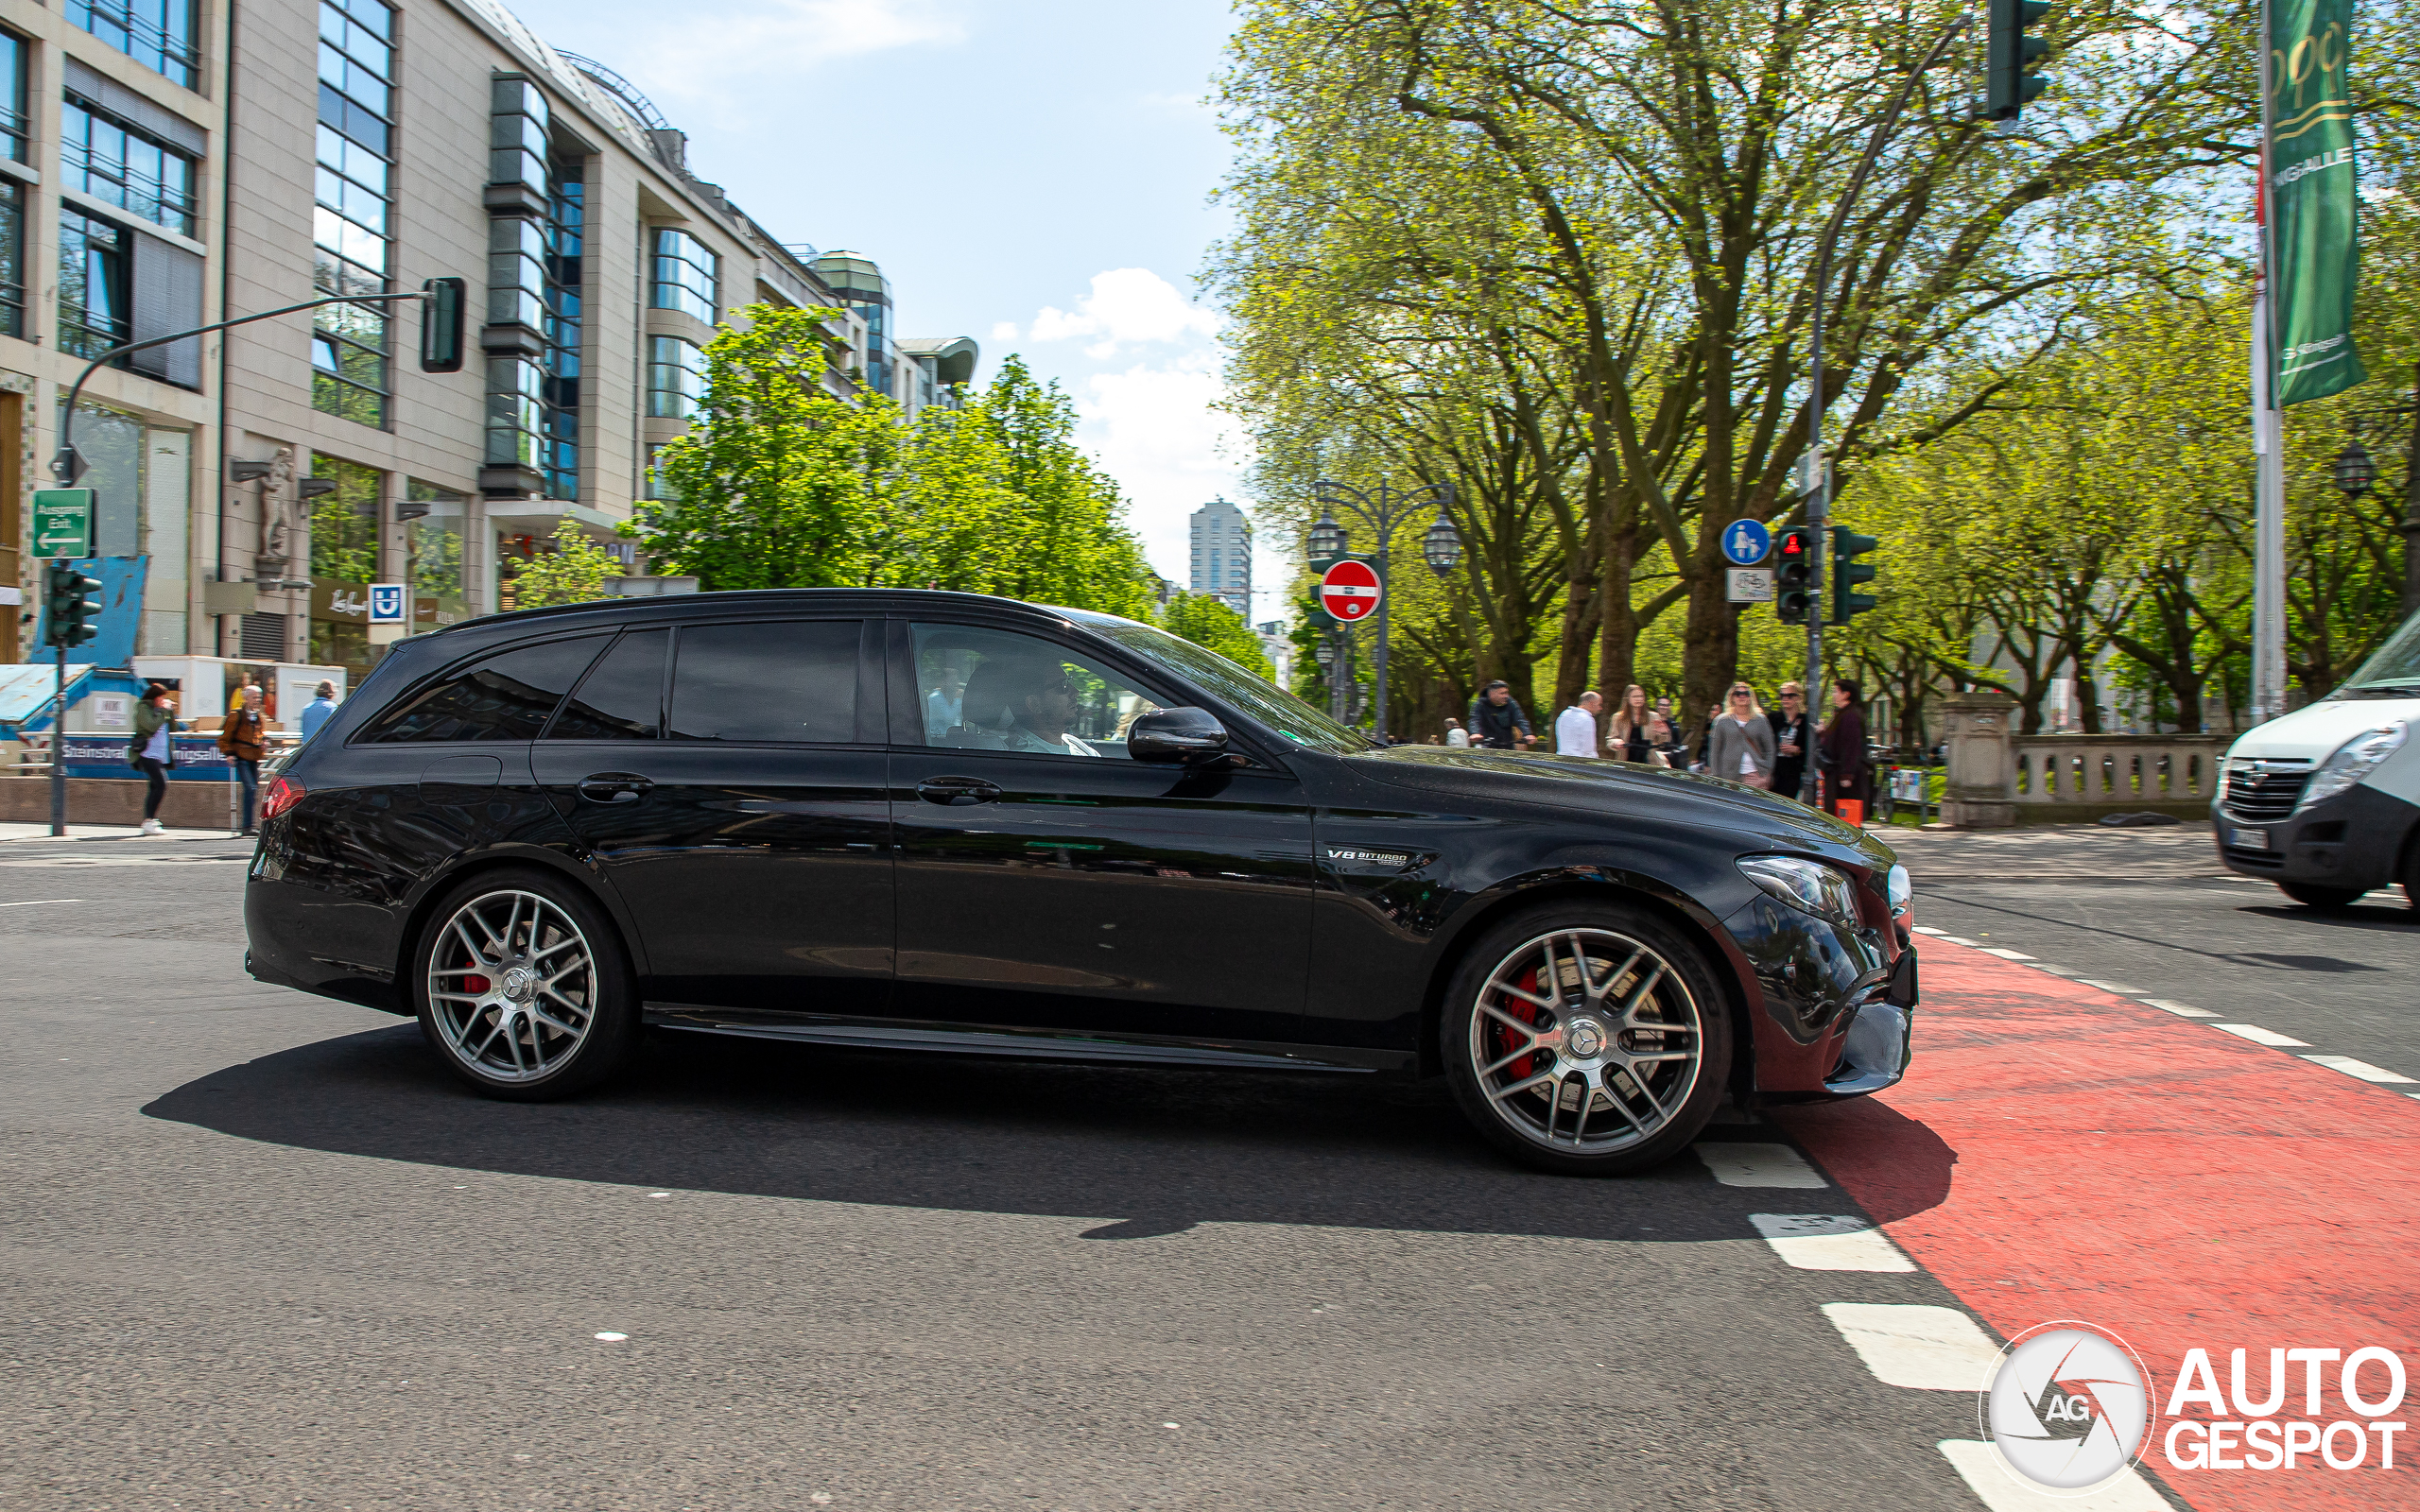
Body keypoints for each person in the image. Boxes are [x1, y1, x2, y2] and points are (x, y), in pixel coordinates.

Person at [1819, 679, 1873, 820]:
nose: (1833, 695)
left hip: (1846, 779)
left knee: (1847, 815)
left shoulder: (1850, 716)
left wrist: (1847, 775)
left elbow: (1851, 745)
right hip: (1839, 774)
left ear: (1846, 694)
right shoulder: (1844, 714)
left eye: (1835, 691)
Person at [1706, 683, 1777, 788]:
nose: (1742, 696)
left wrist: (1766, 774)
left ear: (1751, 697)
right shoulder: (1721, 721)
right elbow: (1715, 751)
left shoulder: (1760, 720)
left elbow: (1770, 749)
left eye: (1746, 693)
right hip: (1728, 777)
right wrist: (1716, 777)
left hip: (1755, 775)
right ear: (1732, 697)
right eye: (1738, 693)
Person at [219, 685, 268, 835]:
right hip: (241, 757)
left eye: (259, 697)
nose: (257, 700)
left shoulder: (258, 716)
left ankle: (249, 826)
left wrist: (264, 741)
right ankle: (247, 826)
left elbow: (259, 734)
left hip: (253, 757)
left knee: (253, 790)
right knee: (250, 788)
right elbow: (224, 738)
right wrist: (228, 753)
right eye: (254, 697)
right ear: (246, 698)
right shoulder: (236, 715)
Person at [130, 684, 178, 835]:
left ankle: (150, 820)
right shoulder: (143, 708)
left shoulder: (162, 711)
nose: (162, 700)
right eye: (160, 697)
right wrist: (163, 711)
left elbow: (173, 729)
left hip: (160, 754)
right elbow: (150, 726)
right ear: (154, 697)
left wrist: (171, 712)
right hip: (147, 753)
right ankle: (149, 820)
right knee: (161, 784)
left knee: (155, 787)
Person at [1767, 681, 1811, 799]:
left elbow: (1810, 747)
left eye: (1790, 696)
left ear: (1798, 697)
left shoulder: (1805, 720)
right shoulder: (1773, 718)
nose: (1785, 699)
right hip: (1775, 769)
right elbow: (1765, 742)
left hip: (1794, 771)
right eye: (1782, 696)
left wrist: (1798, 750)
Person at [1605, 685, 1670, 764]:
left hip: (1649, 761)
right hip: (1626, 760)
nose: (1639, 699)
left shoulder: (1653, 716)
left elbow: (1663, 743)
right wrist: (1616, 742)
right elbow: (1610, 739)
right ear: (1627, 699)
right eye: (1635, 696)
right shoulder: (1618, 717)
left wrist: (1663, 733)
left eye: (1641, 696)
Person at [1468, 681, 1533, 749]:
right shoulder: (1480, 705)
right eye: (1502, 693)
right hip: (1487, 743)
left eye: (1506, 693)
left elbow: (1520, 719)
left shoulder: (1511, 703)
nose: (1506, 696)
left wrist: (1527, 734)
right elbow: (1475, 720)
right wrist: (1475, 733)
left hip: (1507, 743)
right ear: (1491, 694)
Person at [1554, 690, 1602, 757]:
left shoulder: (1564, 714)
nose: (1600, 708)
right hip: (1579, 761)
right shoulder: (1587, 719)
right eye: (1599, 704)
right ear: (1591, 703)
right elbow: (1588, 749)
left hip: (1562, 758)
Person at [925, 666, 965, 743]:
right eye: (952, 681)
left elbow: (958, 720)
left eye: (956, 681)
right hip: (938, 739)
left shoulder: (951, 698)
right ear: (942, 682)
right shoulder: (935, 698)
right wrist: (957, 699)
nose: (956, 684)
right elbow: (949, 718)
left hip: (952, 738)